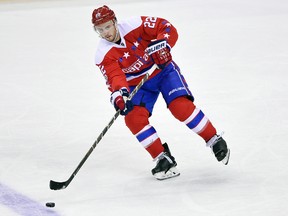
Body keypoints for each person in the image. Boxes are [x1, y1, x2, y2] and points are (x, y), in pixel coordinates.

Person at [91, 5, 230, 180]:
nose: (105, 33)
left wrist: (164, 45)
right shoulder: (102, 54)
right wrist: (121, 95)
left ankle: (214, 139)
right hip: (138, 84)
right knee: (133, 118)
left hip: (161, 71)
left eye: (107, 26)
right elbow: (115, 77)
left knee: (180, 107)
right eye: (100, 29)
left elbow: (166, 27)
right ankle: (162, 158)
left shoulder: (135, 24)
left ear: (115, 22)